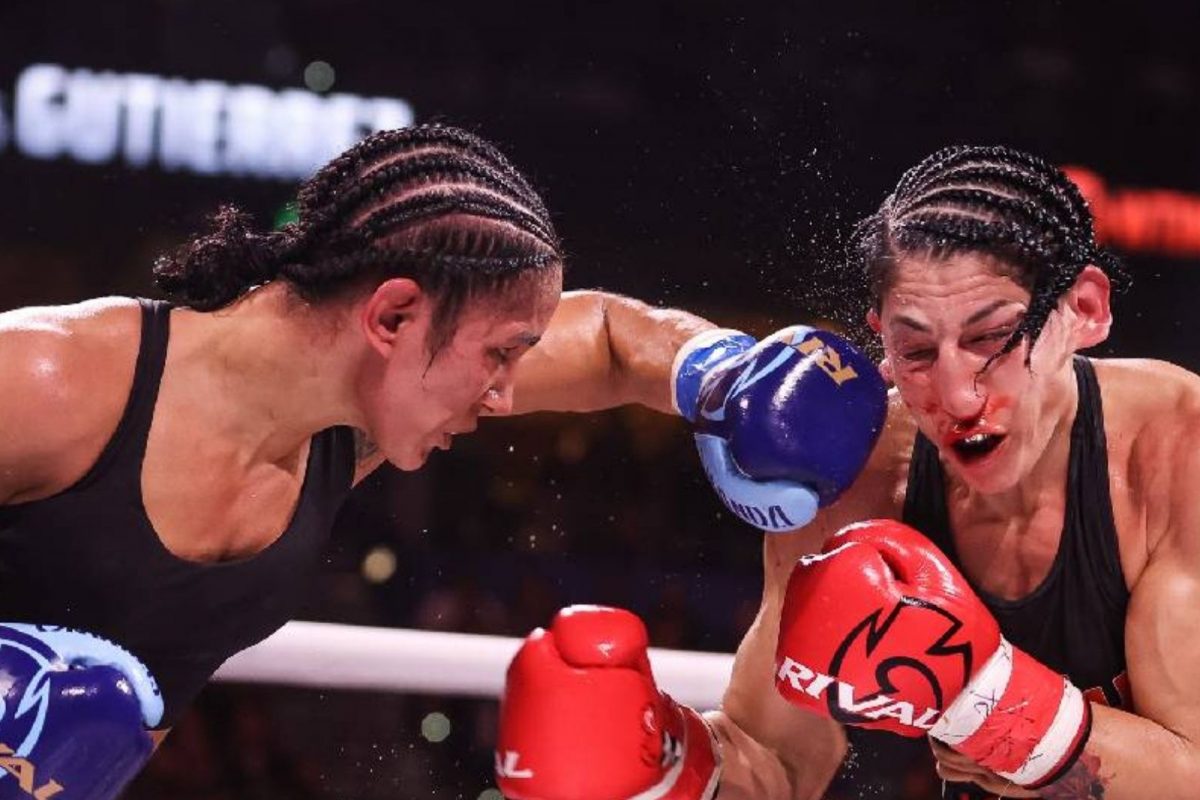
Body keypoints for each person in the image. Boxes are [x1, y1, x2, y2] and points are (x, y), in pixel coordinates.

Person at [0, 122, 882, 799]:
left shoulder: (346, 429)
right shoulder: (56, 383)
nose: (504, 396)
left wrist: (725, 374)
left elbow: (612, 339)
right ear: (391, 318)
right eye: (498, 356)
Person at [497, 144, 1200, 800]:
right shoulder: (855, 485)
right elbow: (777, 760)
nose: (956, 396)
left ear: (1085, 309)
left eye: (992, 339)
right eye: (917, 351)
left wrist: (985, 703)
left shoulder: (1178, 453)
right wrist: (666, 766)